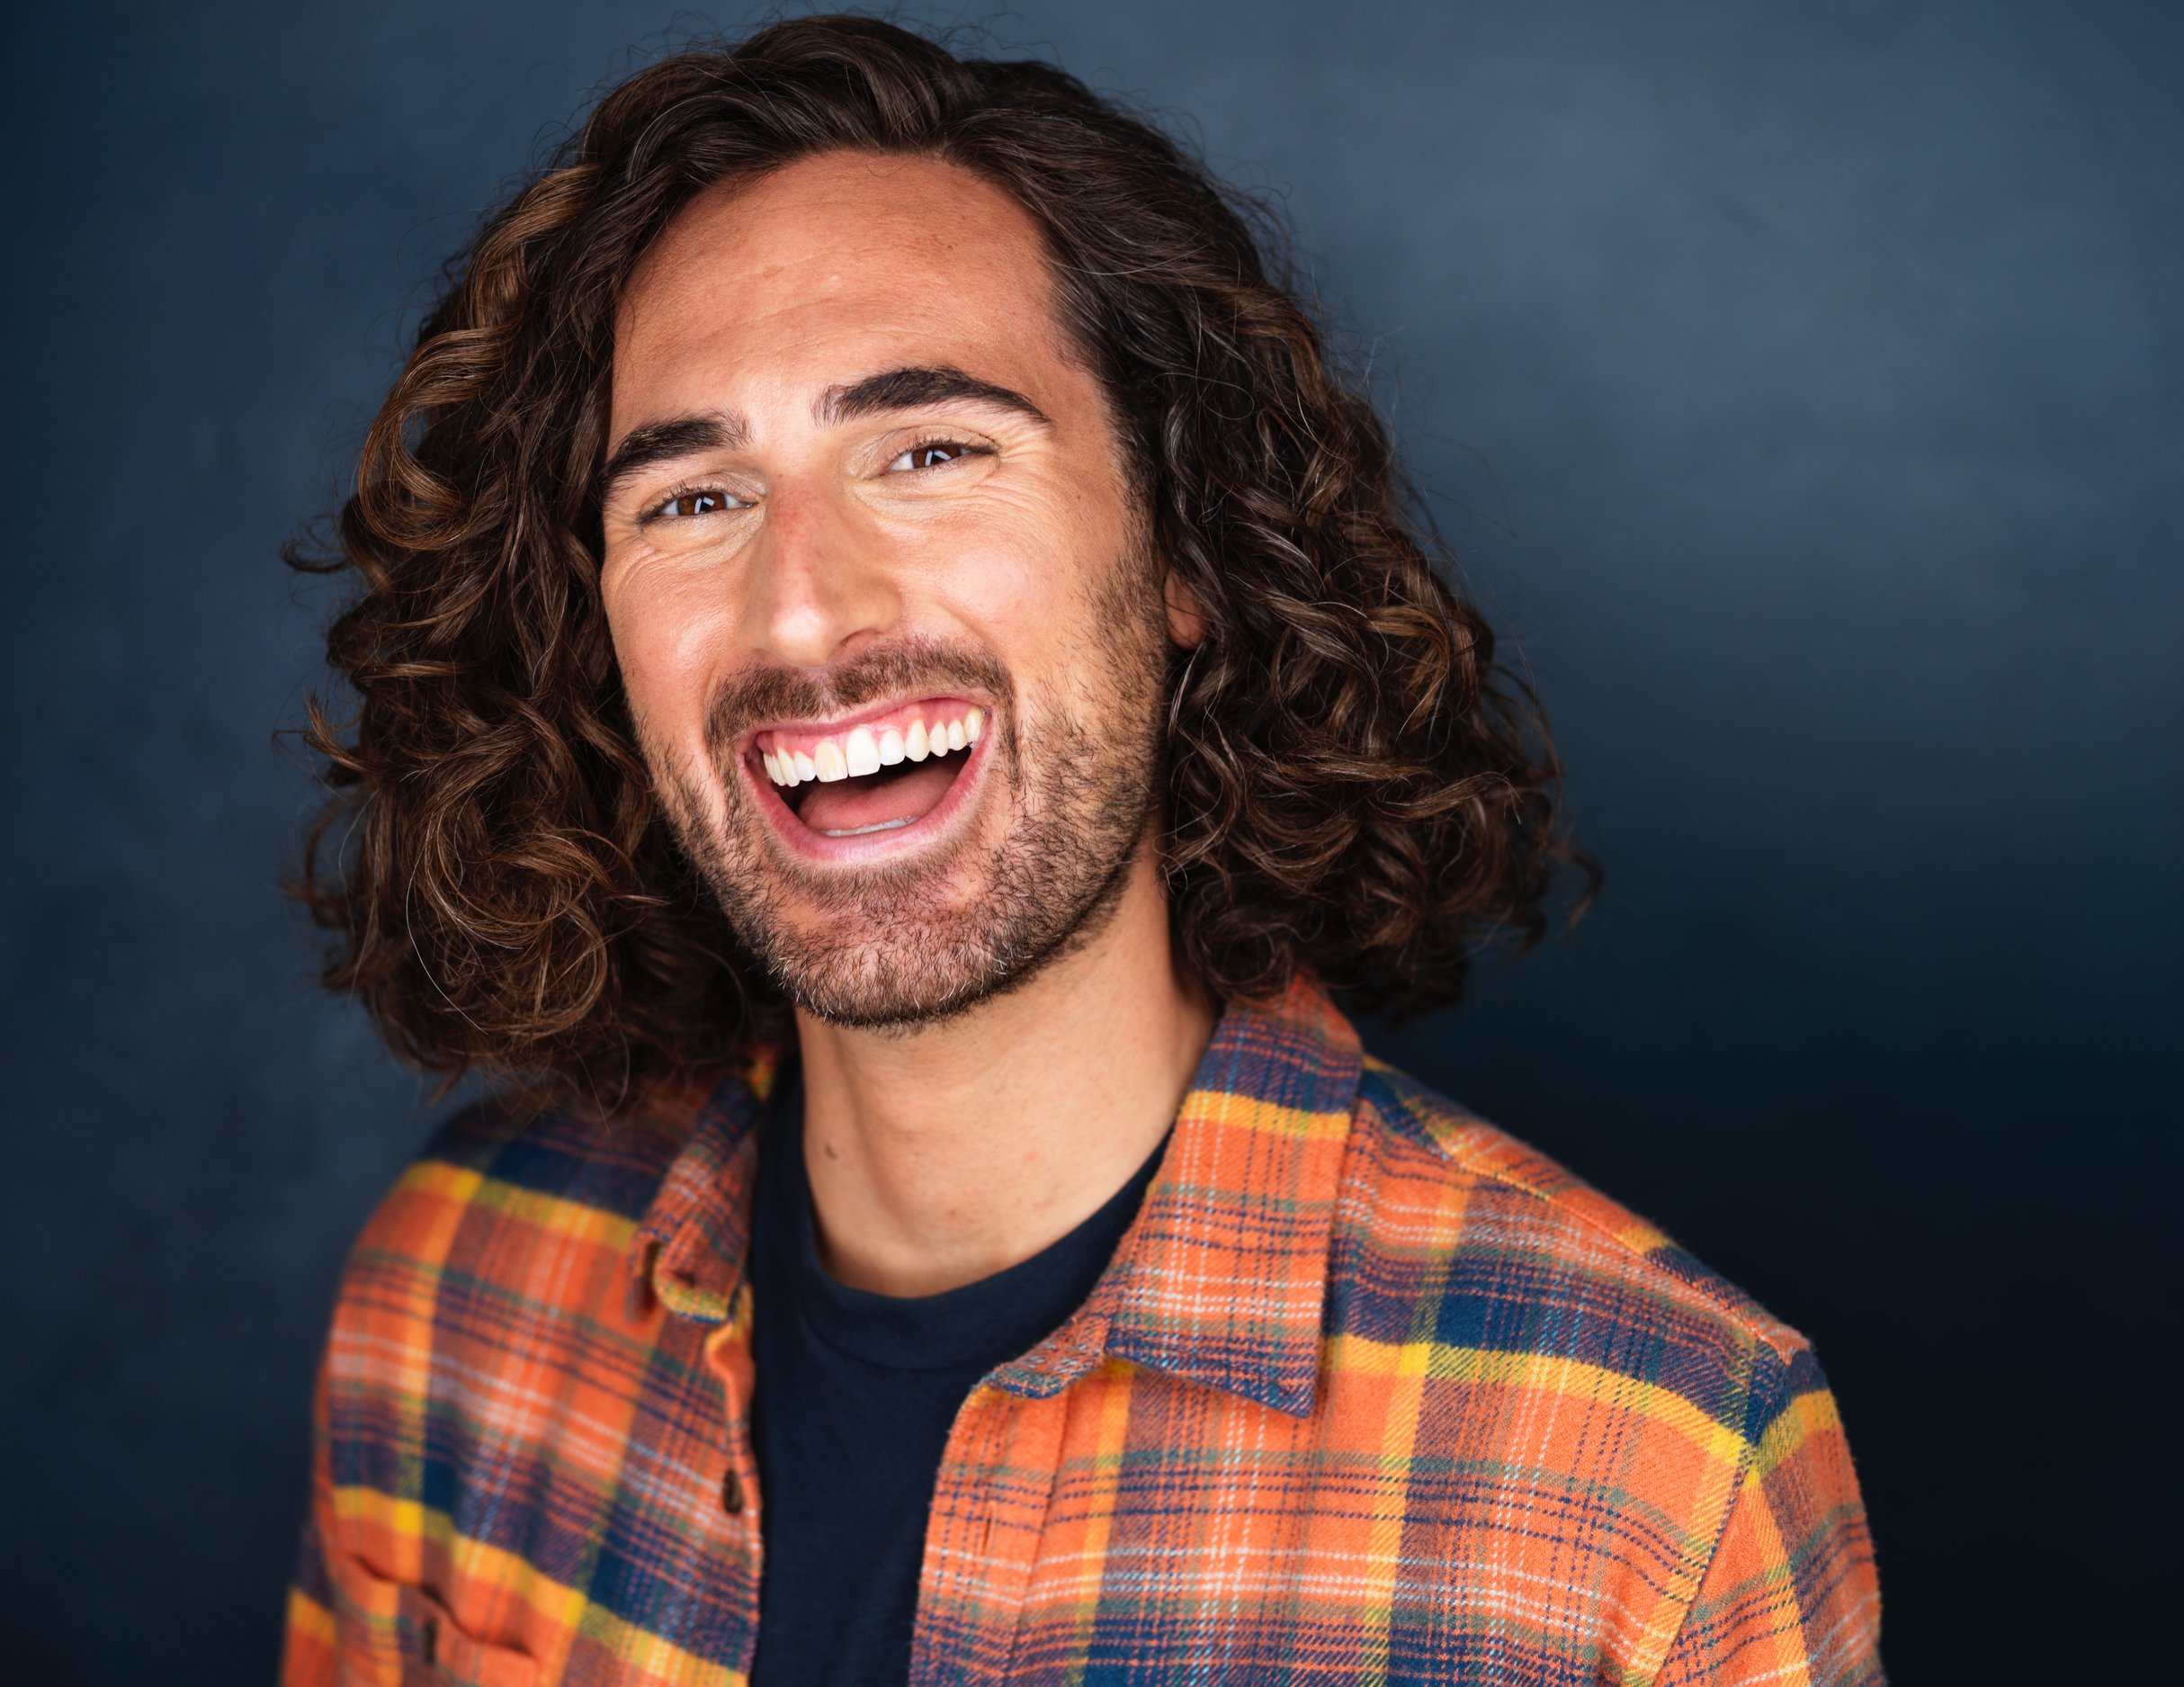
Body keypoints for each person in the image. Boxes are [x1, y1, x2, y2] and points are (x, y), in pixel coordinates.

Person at [279, 16, 1881, 1685]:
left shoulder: (1657, 1473)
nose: (802, 608)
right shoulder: (457, 1282)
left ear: (1186, 556)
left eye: (930, 452)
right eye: (693, 500)